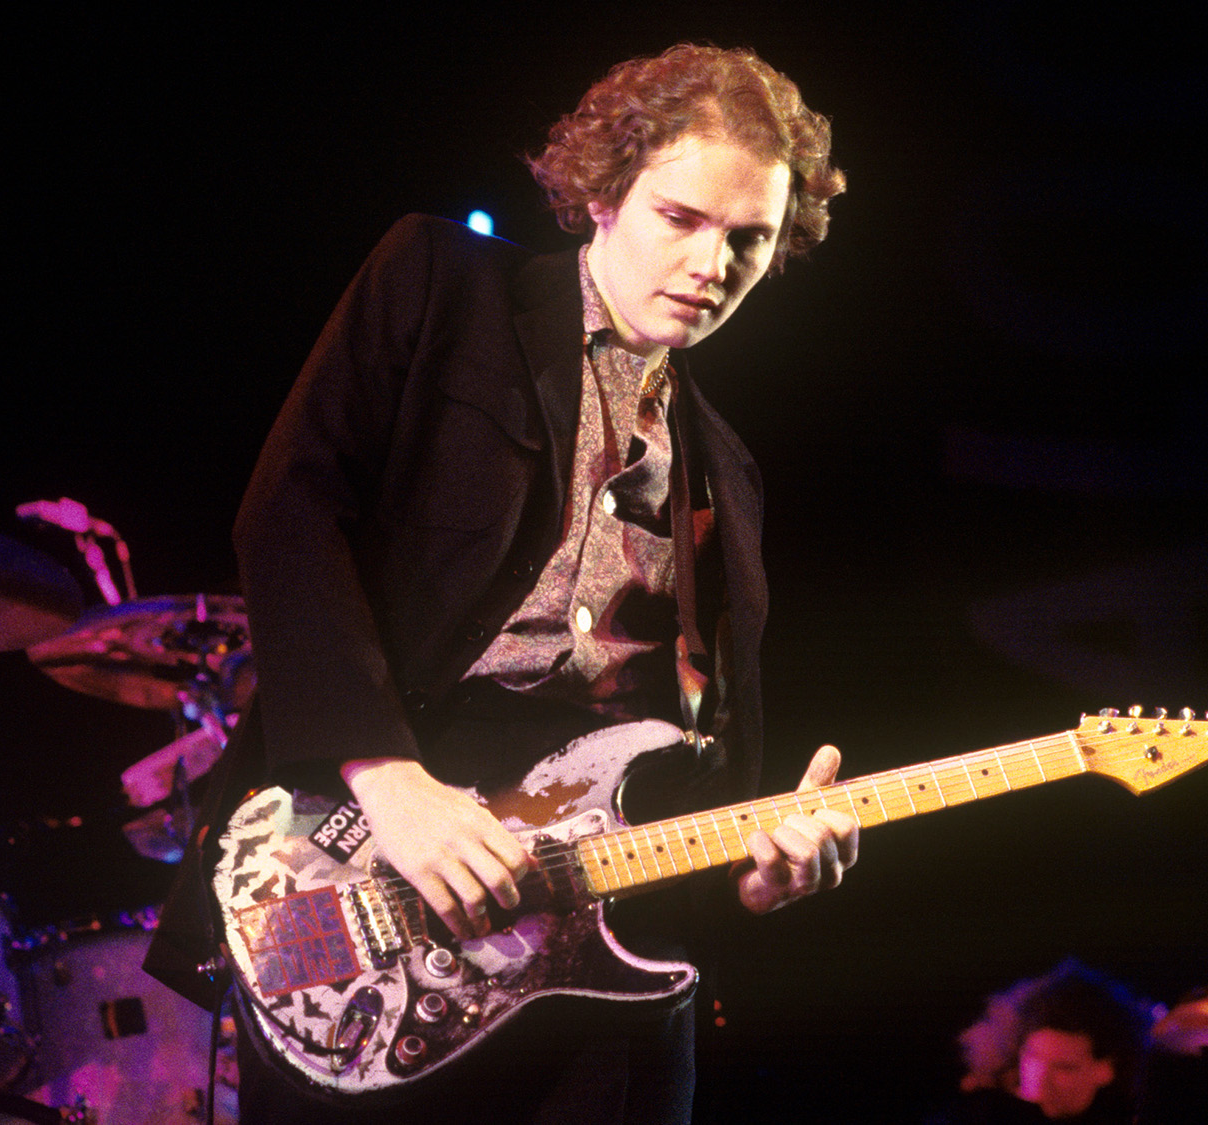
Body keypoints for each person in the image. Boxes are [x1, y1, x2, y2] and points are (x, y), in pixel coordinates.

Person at [150, 43, 857, 1124]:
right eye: (681, 218)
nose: (713, 263)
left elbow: (707, 761)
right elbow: (290, 512)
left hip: (596, 932)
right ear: (601, 194)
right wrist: (387, 781)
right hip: (372, 849)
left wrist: (754, 877)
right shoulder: (441, 285)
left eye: (748, 239)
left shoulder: (730, 474)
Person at [935, 960, 1151, 1124]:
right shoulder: (979, 1112)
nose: (1040, 1081)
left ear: (1106, 1070)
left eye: (1064, 1068)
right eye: (1033, 1058)